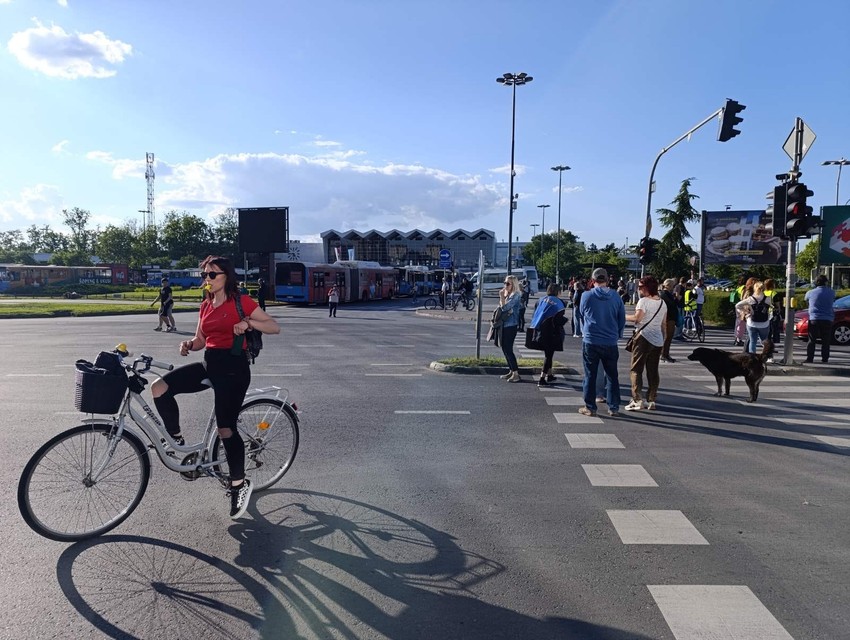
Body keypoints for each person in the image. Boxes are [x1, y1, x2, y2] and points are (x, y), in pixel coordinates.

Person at [150, 255, 280, 520]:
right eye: (204, 275)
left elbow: (273, 326)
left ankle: (238, 485)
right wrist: (188, 344)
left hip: (234, 370)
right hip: (210, 364)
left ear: (226, 276)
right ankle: (176, 438)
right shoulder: (206, 305)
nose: (206, 279)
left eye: (212, 274)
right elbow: (201, 340)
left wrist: (248, 323)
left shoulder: (241, 302)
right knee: (159, 387)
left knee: (226, 429)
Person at [577, 268, 625, 417]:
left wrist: (584, 331)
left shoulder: (586, 296)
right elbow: (621, 318)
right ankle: (613, 407)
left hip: (591, 340)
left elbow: (581, 314)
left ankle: (590, 407)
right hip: (610, 341)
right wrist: (617, 334)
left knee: (590, 375)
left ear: (593, 280)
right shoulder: (616, 296)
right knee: (612, 375)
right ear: (607, 280)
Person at [624, 276, 667, 411]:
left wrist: (623, 316)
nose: (639, 289)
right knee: (653, 371)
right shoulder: (662, 303)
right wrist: (663, 341)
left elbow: (637, 318)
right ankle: (651, 399)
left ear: (648, 288)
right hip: (658, 340)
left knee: (636, 369)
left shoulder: (643, 302)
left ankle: (637, 400)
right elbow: (664, 324)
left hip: (643, 337)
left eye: (641, 286)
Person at [528, 284, 567, 387]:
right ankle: (542, 379)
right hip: (552, 332)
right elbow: (558, 320)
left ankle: (550, 375)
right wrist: (565, 320)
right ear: (558, 292)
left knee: (548, 353)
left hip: (539, 330)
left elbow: (535, 313)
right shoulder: (559, 303)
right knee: (548, 355)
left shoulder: (541, 300)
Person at [498, 275, 524, 382]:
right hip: (505, 325)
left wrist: (501, 297)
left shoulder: (516, 295)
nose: (505, 285)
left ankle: (516, 373)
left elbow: (504, 308)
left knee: (508, 349)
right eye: (505, 283)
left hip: (511, 325)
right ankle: (511, 370)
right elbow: (502, 307)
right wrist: (503, 297)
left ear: (514, 284)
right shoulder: (509, 294)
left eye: (508, 283)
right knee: (504, 348)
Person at [804, 275, 836, 364]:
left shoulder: (810, 293)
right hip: (827, 318)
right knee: (826, 340)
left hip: (814, 318)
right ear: (826, 282)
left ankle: (810, 358)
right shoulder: (832, 292)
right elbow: (833, 301)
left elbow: (806, 301)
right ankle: (825, 358)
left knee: (812, 340)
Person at [735, 280, 772, 355]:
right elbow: (770, 308)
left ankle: (752, 357)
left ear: (754, 288)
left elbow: (737, 305)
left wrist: (745, 312)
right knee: (765, 341)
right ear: (764, 289)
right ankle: (767, 356)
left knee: (752, 341)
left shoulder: (750, 299)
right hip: (764, 323)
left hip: (751, 323)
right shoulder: (768, 299)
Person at [659, 278, 678, 363]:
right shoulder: (664, 294)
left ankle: (665, 354)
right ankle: (664, 354)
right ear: (669, 286)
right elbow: (671, 304)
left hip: (670, 317)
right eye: (672, 286)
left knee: (669, 337)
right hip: (668, 317)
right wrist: (676, 299)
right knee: (668, 337)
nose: (673, 288)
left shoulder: (666, 294)